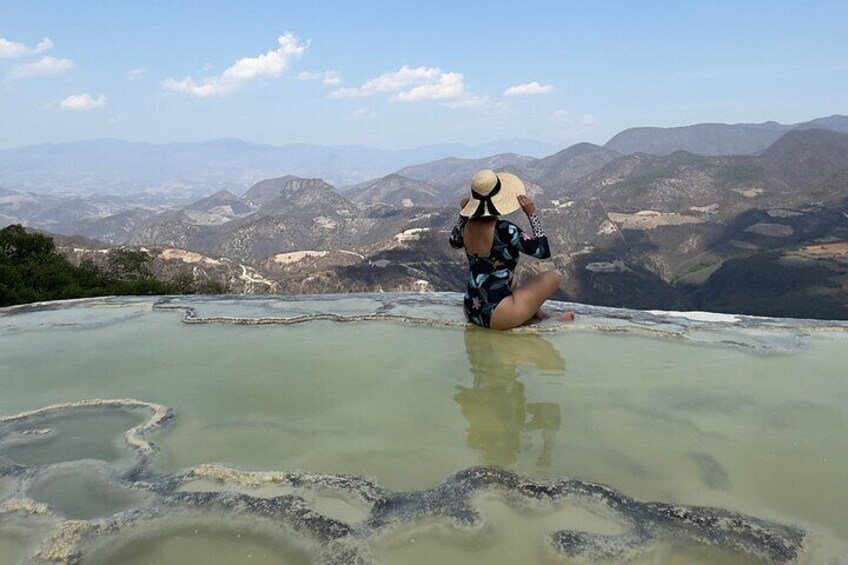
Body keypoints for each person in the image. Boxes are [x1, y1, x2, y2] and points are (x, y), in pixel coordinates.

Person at [449, 169, 574, 330]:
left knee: (510, 279)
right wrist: (531, 214)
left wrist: (463, 214)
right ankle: (547, 321)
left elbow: (453, 242)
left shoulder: (466, 226)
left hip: (472, 310)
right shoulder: (505, 230)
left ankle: (539, 315)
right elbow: (543, 251)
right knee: (553, 276)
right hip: (498, 316)